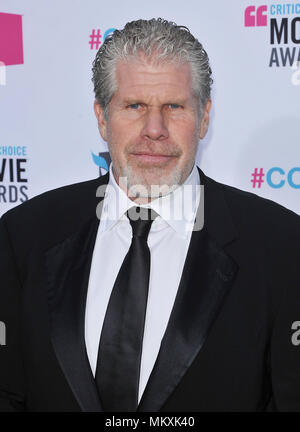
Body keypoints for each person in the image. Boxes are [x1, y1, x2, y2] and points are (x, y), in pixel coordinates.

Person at [0, 18, 300, 412]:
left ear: (205, 117)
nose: (154, 129)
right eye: (135, 106)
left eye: (174, 107)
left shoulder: (281, 244)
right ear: (102, 117)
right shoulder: (23, 235)